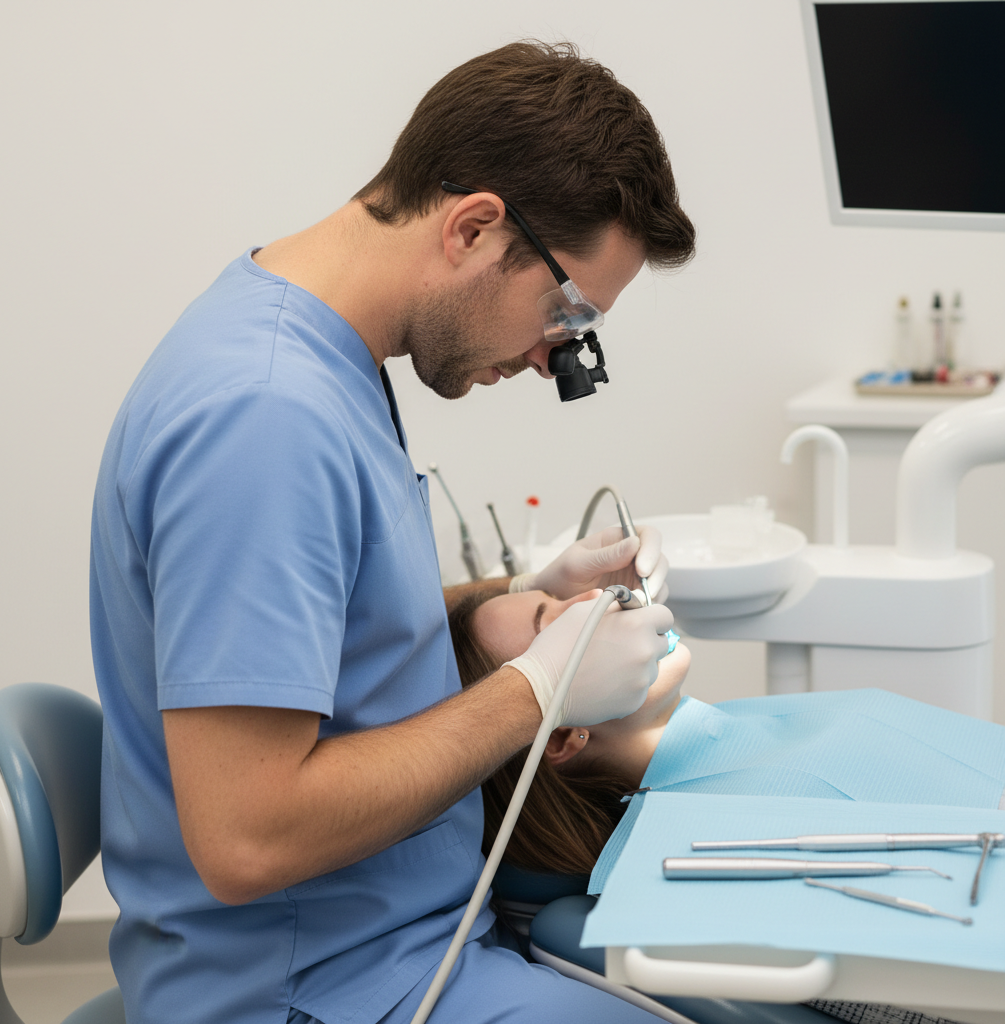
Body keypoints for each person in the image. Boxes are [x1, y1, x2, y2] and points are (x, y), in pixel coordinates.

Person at [90, 40, 696, 1024]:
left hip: (402, 937)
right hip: (316, 989)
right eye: (566, 309)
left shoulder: (322, 350)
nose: (558, 358)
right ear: (472, 227)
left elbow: (321, 622)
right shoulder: (266, 414)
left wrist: (513, 601)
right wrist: (539, 687)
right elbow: (248, 836)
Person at [449, 587, 1005, 880]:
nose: (597, 597)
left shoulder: (735, 725)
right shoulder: (696, 851)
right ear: (561, 735)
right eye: (556, 624)